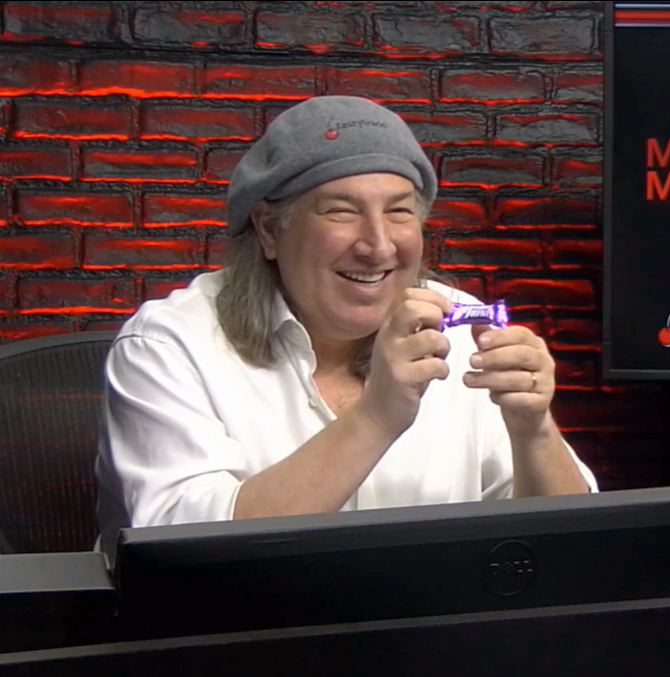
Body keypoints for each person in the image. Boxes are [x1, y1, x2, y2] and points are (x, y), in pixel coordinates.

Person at [95, 96, 595, 561]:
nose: (378, 246)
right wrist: (376, 417)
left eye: (399, 212)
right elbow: (184, 557)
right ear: (269, 229)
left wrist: (534, 431)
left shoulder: (465, 327)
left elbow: (571, 552)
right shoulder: (168, 345)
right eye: (341, 211)